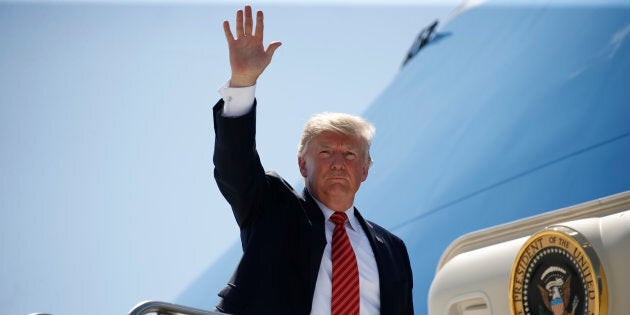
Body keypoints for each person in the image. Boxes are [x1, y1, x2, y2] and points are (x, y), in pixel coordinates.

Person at [212, 5, 413, 314]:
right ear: (302, 164)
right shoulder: (272, 208)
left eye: (349, 154)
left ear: (364, 170)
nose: (337, 162)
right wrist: (242, 83)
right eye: (325, 151)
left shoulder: (393, 250)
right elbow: (234, 165)